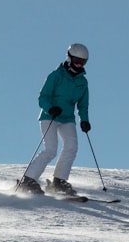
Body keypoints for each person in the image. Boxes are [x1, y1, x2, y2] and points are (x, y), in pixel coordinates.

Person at [16, 43, 91, 197]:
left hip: (67, 118)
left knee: (71, 146)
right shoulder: (56, 75)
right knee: (51, 149)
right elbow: (42, 97)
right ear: (69, 58)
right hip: (50, 116)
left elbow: (83, 105)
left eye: (82, 62)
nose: (78, 64)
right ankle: (28, 179)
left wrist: (85, 120)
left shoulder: (82, 82)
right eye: (76, 60)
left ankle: (59, 181)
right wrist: (50, 108)